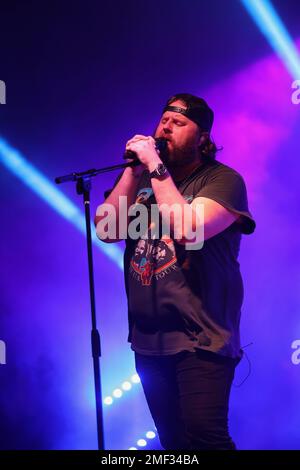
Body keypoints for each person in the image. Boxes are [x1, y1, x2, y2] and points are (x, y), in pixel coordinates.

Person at [95, 93, 255, 450]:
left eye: (179, 123)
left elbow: (188, 229)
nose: (166, 128)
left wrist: (155, 168)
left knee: (205, 439)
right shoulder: (141, 182)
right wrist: (132, 171)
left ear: (203, 138)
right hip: (149, 340)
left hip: (202, 338)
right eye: (164, 120)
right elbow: (107, 230)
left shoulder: (222, 180)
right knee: (174, 444)